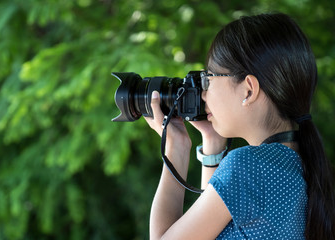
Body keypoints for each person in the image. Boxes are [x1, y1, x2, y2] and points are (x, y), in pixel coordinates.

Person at [144, 13, 335, 239]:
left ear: (248, 90)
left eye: (209, 79)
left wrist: (176, 148)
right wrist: (213, 143)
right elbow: (212, 230)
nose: (203, 94)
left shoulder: (247, 167)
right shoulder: (299, 165)